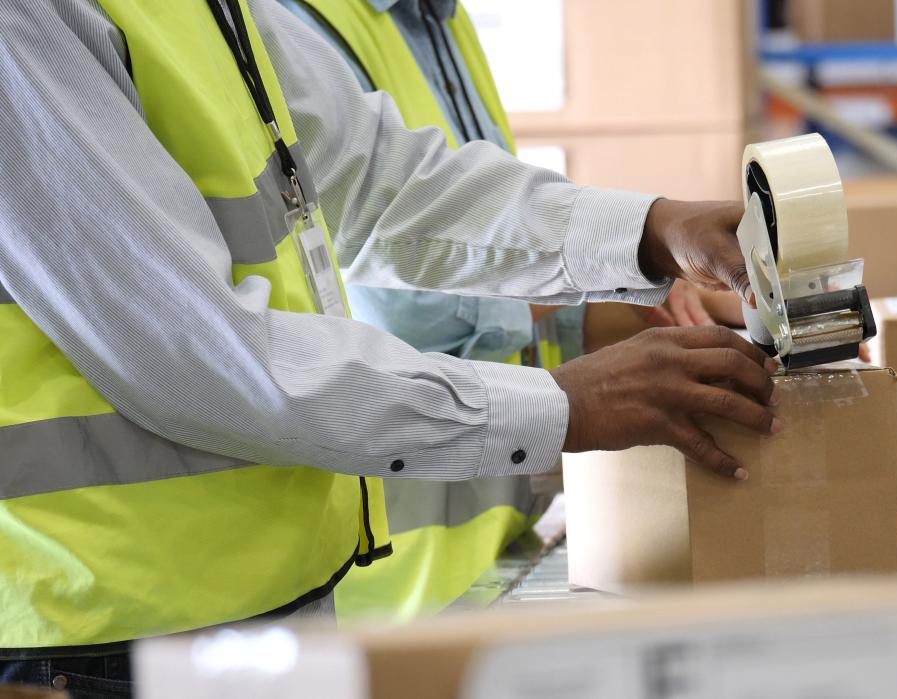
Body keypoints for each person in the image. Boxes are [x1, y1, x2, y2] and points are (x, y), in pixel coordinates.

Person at [0, 0, 776, 695]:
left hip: (272, 594)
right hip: (97, 633)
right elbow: (195, 351)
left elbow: (380, 183)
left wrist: (650, 230)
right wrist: (567, 404)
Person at [276, 0, 744, 622]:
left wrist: (645, 264)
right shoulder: (299, 23)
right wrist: (624, 272)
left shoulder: (442, 19)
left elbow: (453, 221)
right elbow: (415, 312)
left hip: (491, 548)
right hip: (390, 583)